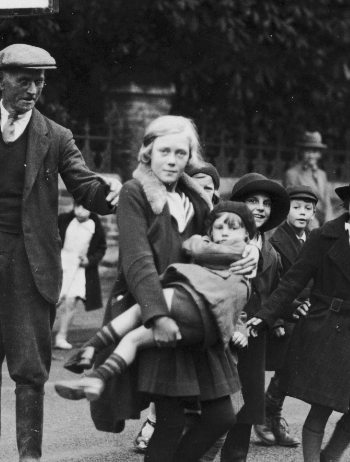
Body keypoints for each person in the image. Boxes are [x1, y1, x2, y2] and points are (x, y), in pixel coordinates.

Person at [0, 44, 121, 462]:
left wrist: (114, 194)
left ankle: (30, 457)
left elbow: (86, 186)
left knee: (30, 368)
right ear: (1, 81)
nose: (34, 89)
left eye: (40, 81)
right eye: (25, 80)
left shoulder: (56, 136)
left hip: (31, 266)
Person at [87, 115, 256, 462]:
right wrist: (158, 317)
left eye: (181, 153)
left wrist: (249, 251)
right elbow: (137, 262)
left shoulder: (195, 199)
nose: (172, 160)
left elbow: (231, 232)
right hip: (156, 314)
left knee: (221, 416)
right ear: (147, 152)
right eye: (164, 151)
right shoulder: (136, 193)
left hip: (198, 314)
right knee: (169, 421)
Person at [247, 171, 350, 462]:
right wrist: (266, 316)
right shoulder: (323, 237)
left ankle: (329, 456)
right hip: (326, 327)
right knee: (322, 406)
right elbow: (292, 281)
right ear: (348, 203)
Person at [54, 201, 258, 401]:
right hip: (202, 327)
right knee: (133, 340)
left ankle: (91, 347)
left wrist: (202, 240)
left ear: (247, 234)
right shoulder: (242, 253)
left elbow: (194, 247)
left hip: (199, 305)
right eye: (219, 227)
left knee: (144, 306)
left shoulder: (241, 251)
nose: (224, 233)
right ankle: (97, 378)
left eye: (233, 228)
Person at [132, 160, 222, 454]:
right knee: (170, 421)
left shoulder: (220, 229)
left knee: (222, 416)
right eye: (198, 186)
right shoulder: (170, 220)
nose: (202, 194)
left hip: (206, 333)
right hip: (171, 322)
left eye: (209, 189)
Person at [201, 173, 290, 462]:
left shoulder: (271, 252)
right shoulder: (222, 243)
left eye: (266, 203)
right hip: (222, 334)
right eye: (252, 201)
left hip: (253, 339)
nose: (261, 208)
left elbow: (274, 292)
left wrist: (274, 318)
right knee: (213, 411)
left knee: (245, 412)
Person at [254, 184, 320, 448]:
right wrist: (278, 319)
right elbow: (274, 283)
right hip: (284, 313)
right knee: (283, 367)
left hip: (306, 313)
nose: (302, 213)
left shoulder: (314, 239)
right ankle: (265, 417)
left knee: (290, 370)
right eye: (296, 207)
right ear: (285, 211)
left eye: (308, 209)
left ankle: (271, 415)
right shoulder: (276, 240)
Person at [54, 204, 108, 350]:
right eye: (77, 207)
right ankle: (41, 335)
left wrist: (89, 260)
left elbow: (101, 248)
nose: (79, 211)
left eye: (84, 208)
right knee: (55, 300)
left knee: (71, 301)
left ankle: (61, 336)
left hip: (79, 267)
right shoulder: (64, 220)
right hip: (62, 262)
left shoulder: (95, 226)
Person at [284, 131, 334, 229]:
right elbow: (293, 205)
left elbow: (327, 203)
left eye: (315, 152)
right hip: (304, 222)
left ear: (319, 155)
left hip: (322, 220)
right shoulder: (292, 174)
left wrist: (329, 221)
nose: (311, 156)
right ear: (302, 153)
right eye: (308, 151)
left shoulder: (322, 174)